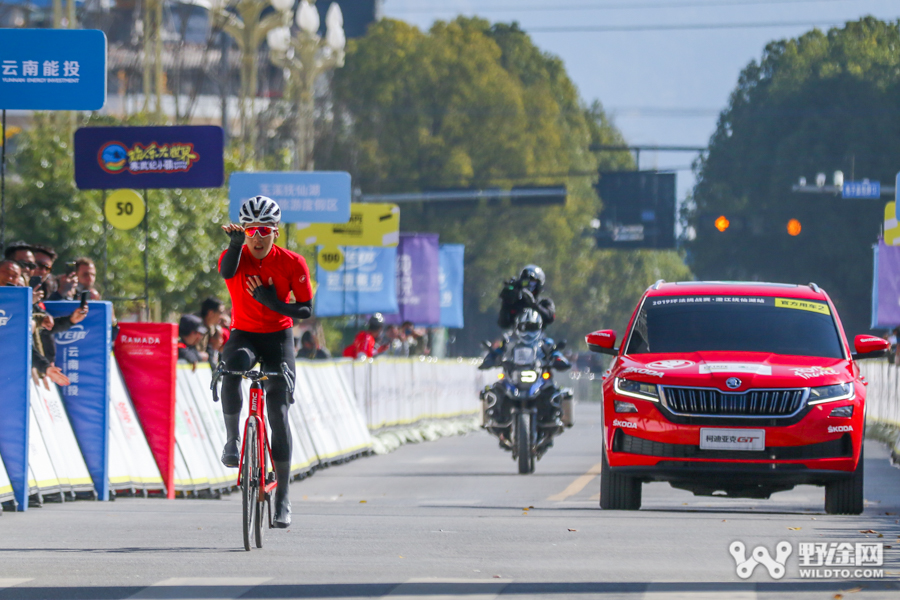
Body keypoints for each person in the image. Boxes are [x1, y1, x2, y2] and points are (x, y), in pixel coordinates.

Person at [217, 195, 313, 528]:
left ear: (276, 231)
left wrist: (272, 302)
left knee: (278, 410)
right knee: (231, 367)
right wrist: (234, 244)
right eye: (250, 230)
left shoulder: (292, 262)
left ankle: (283, 497)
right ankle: (233, 439)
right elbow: (226, 270)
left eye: (264, 230)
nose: (257, 237)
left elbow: (304, 310)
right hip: (243, 334)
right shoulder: (237, 255)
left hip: (278, 338)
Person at [498, 264, 555, 330]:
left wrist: (533, 304)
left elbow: (550, 318)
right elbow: (503, 323)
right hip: (517, 338)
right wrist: (506, 302)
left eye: (532, 283)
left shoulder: (544, 302)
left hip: (538, 338)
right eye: (525, 283)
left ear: (539, 284)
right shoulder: (515, 303)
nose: (528, 287)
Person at [197, 297, 226, 367]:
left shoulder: (212, 329)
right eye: (220, 313)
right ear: (211, 313)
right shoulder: (195, 327)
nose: (222, 317)